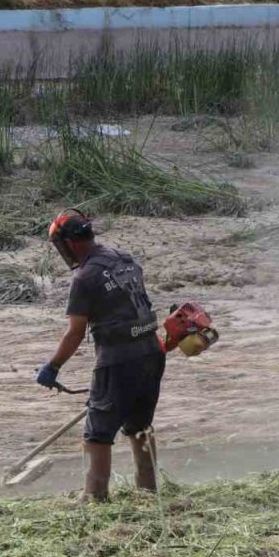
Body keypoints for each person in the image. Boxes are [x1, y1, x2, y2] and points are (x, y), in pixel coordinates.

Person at [35, 209, 165, 502]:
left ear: (70, 243)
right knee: (140, 427)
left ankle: (94, 498)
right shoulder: (125, 259)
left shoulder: (85, 277)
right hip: (151, 352)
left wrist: (52, 366)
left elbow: (75, 333)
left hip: (118, 360)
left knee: (98, 433)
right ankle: (148, 492)